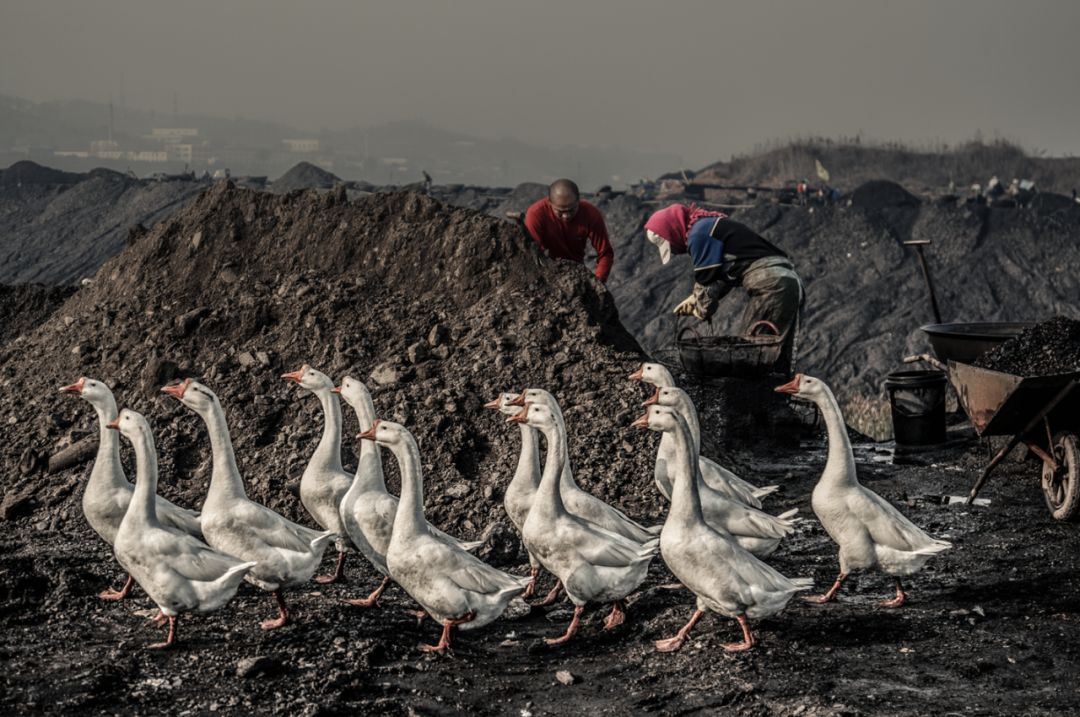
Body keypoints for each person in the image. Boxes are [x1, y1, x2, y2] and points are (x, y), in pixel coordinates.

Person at [644, 204, 804, 373]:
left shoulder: (698, 235)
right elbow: (721, 276)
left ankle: (754, 397)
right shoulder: (708, 225)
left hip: (772, 287)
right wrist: (694, 297)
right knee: (775, 357)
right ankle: (774, 396)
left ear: (672, 230)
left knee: (751, 353)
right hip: (787, 283)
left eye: (672, 246)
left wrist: (701, 308)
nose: (675, 251)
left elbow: (706, 281)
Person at [523, 179, 614, 283]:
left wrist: (598, 282)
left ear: (578, 201)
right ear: (549, 203)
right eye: (560, 211)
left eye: (571, 210)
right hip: (546, 272)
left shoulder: (590, 214)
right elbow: (533, 253)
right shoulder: (536, 214)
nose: (566, 216)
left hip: (576, 272)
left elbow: (605, 253)